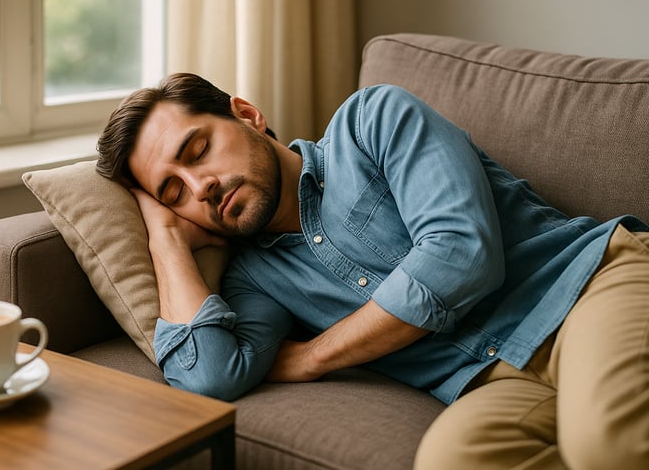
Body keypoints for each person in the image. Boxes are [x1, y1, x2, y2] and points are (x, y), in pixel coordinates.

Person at [96, 72, 649, 470]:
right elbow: (211, 375)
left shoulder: (372, 121)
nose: (201, 187)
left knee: (605, 445)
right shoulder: (254, 276)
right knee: (456, 460)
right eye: (174, 193)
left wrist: (314, 355)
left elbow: (460, 256)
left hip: (589, 285)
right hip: (490, 378)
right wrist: (164, 237)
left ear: (246, 115)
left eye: (197, 151)